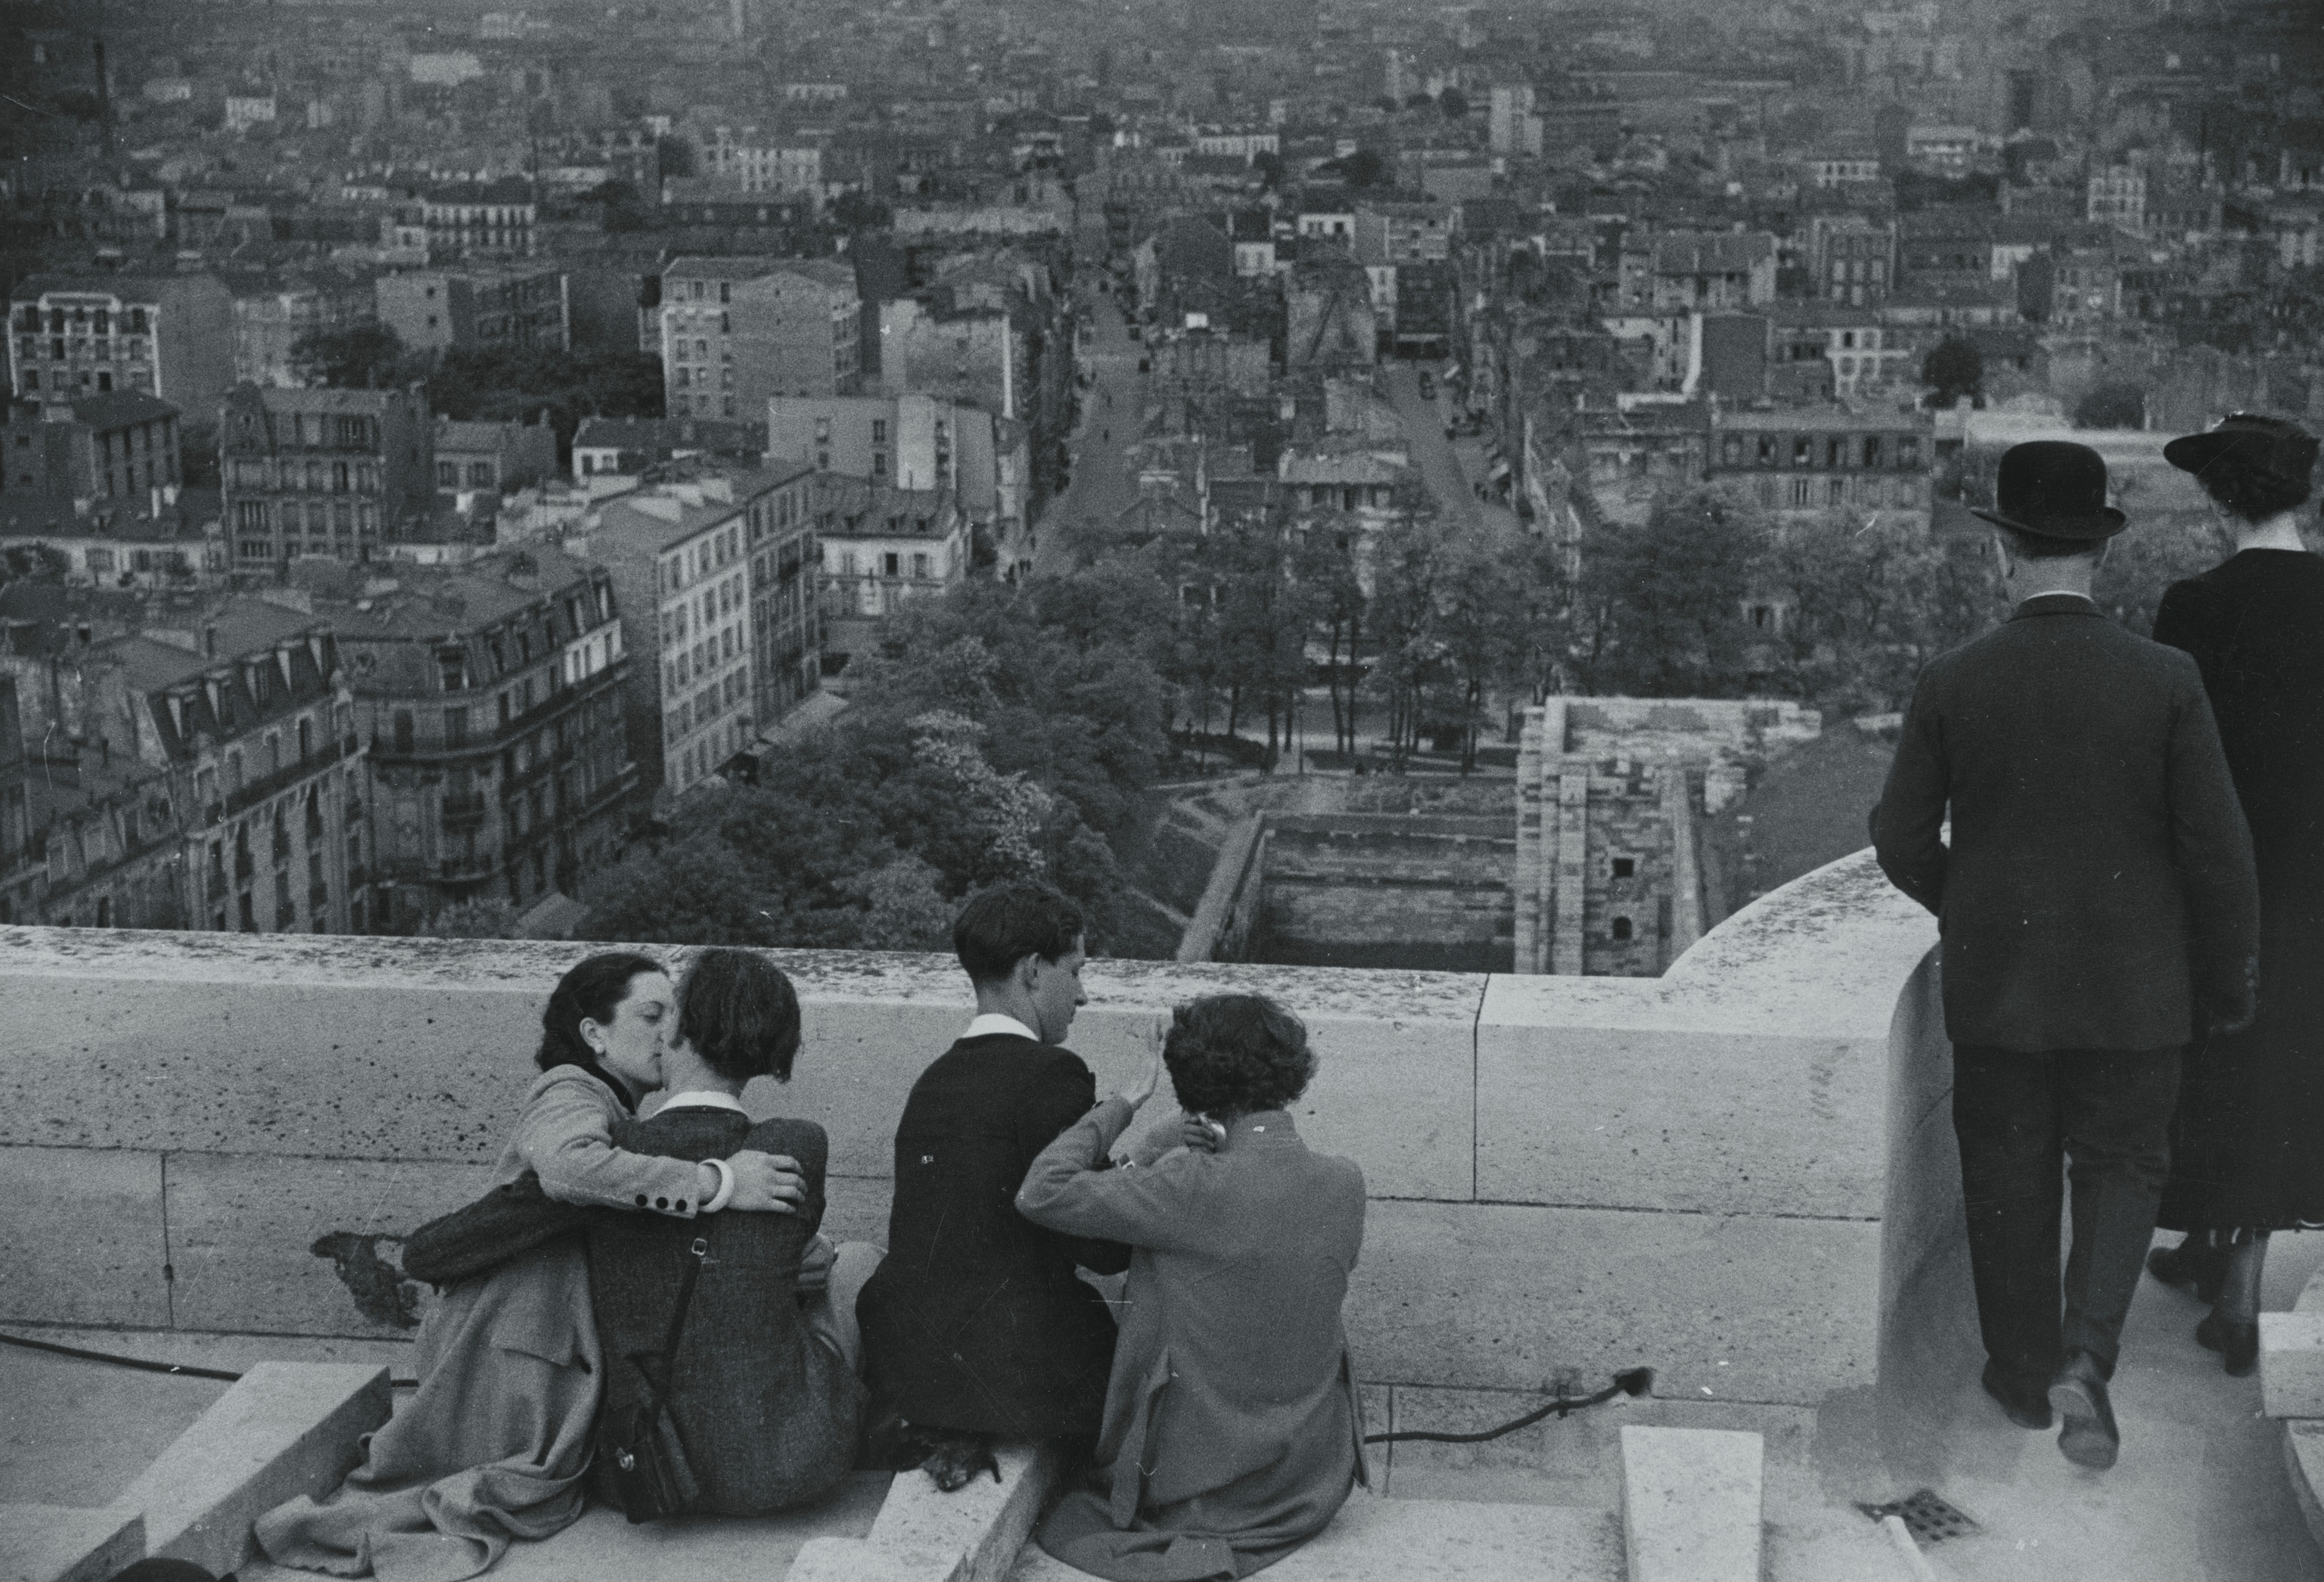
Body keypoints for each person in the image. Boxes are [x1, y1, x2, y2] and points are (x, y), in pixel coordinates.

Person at [1871, 440, 2260, 1472]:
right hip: (2140, 991)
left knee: (2007, 1171)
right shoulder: (2168, 680)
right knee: (2123, 1166)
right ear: (2099, 555)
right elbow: (2219, 855)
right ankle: (2089, 1351)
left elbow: (1900, 838)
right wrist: (2225, 985)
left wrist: (1978, 909)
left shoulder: (1954, 679)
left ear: (2008, 554)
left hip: (2002, 985)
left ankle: (2021, 1369)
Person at [255, 953, 806, 1581]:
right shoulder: (570, 1088)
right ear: (594, 1034)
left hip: (533, 1332)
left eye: (671, 1016)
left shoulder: (621, 1112)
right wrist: (714, 1181)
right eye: (651, 1014)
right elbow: (569, 1167)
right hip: (505, 1336)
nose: (668, 1034)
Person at [1018, 994, 1368, 1581]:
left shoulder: (1186, 1183)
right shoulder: (1344, 1181)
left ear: (1194, 1081)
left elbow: (1042, 1190)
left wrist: (1130, 1110)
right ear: (1290, 1072)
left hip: (1202, 1487)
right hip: (1311, 1480)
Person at [2145, 414, 2324, 1375]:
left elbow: (2175, 766)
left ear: (2220, 499)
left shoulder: (2194, 608)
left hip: (2224, 875)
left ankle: (2232, 1281)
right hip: (2320, 881)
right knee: (2291, 1061)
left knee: (2218, 1053)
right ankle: (2230, 1260)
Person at [853, 881, 1131, 1491]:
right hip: (1019, 1372)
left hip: (915, 1369)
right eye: (1076, 971)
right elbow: (1106, 1248)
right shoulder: (1054, 1074)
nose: (1083, 994)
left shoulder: (935, 1079)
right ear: (1033, 971)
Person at [585, 947, 879, 1515]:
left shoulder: (614, 1149)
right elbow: (770, 1252)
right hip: (779, 1467)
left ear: (675, 1024)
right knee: (858, 1259)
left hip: (644, 1466)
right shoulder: (796, 1142)